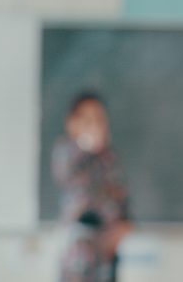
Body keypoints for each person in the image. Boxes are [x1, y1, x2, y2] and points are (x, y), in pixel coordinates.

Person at [52, 92, 132, 282]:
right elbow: (70, 177)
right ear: (72, 123)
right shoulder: (66, 151)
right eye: (88, 120)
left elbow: (120, 193)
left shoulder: (109, 157)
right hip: (79, 251)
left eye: (99, 119)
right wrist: (86, 144)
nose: (95, 125)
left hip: (107, 250)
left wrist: (125, 223)